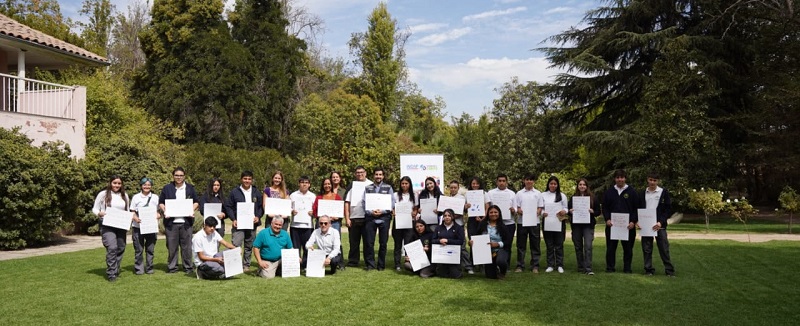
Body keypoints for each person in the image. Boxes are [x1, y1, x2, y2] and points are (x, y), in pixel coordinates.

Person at [158, 167, 200, 275]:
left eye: (181, 175)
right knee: (172, 247)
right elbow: (161, 202)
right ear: (173, 176)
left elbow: (196, 202)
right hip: (171, 223)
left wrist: (192, 209)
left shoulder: (190, 188)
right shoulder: (167, 188)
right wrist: (165, 210)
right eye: (176, 175)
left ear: (184, 176)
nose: (179, 177)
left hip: (186, 223)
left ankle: (188, 267)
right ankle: (172, 267)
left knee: (187, 247)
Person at [92, 175, 130, 282]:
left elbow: (126, 211)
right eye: (114, 183)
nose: (117, 185)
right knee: (112, 247)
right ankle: (111, 273)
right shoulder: (103, 194)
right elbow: (94, 208)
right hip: (107, 224)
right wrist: (99, 213)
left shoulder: (125, 196)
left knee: (121, 247)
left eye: (119, 183)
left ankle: (115, 269)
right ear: (110, 183)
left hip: (121, 225)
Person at [225, 170, 264, 273]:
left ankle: (246, 266)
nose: (247, 181)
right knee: (236, 244)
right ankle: (235, 265)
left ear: (252, 180)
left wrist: (258, 216)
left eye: (249, 179)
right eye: (245, 178)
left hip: (252, 223)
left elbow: (261, 207)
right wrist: (233, 219)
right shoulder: (234, 192)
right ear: (241, 179)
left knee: (249, 245)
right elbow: (228, 206)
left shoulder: (256, 192)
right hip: (239, 223)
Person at [638, 172, 675, 277]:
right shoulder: (642, 193)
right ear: (647, 180)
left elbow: (668, 210)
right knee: (647, 249)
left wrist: (661, 222)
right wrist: (638, 221)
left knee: (664, 248)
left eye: (655, 180)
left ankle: (669, 271)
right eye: (650, 180)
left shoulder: (663, 192)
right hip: (645, 226)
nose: (652, 182)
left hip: (660, 226)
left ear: (658, 181)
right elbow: (638, 209)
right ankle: (648, 270)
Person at [602, 169, 639, 273]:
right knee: (610, 248)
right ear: (615, 179)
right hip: (612, 225)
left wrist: (633, 221)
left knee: (628, 249)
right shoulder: (609, 192)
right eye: (618, 177)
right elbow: (605, 207)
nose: (620, 180)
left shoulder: (632, 192)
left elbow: (636, 208)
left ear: (625, 178)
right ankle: (610, 268)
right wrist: (607, 219)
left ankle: (627, 268)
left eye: (622, 177)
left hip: (628, 226)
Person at [363, 167, 394, 271]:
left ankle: (381, 265)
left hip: (384, 218)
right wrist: (371, 212)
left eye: (380, 174)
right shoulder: (368, 188)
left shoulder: (388, 187)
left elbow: (392, 203)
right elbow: (364, 202)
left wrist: (383, 211)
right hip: (371, 218)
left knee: (383, 243)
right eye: (376, 174)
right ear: (373, 176)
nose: (378, 176)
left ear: (383, 176)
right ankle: (370, 264)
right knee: (369, 243)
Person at [471, 205, 512, 280]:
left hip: (500, 250)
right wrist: (471, 243)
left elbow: (508, 242)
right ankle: (495, 268)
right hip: (487, 253)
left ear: (499, 214)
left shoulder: (503, 226)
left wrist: (497, 244)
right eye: (491, 212)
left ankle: (502, 272)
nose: (493, 214)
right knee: (490, 276)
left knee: (501, 261)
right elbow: (476, 237)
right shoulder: (482, 225)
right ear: (488, 214)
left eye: (495, 212)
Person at [130, 177, 161, 275]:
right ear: (141, 185)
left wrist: (159, 214)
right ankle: (139, 269)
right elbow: (132, 211)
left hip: (151, 227)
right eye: (145, 184)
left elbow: (159, 210)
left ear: (151, 186)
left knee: (150, 249)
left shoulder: (155, 197)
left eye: (149, 185)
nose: (147, 186)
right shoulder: (136, 197)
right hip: (138, 227)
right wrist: (135, 218)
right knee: (138, 249)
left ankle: (149, 268)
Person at [513, 175, 544, 273]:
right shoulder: (519, 193)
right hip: (522, 222)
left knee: (535, 244)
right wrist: (519, 211)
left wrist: (538, 212)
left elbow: (540, 207)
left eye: (531, 179)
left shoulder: (538, 193)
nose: (529, 181)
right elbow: (516, 207)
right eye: (527, 179)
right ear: (524, 181)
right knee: (521, 244)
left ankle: (535, 265)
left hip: (535, 222)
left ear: (533, 181)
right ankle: (520, 265)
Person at [569, 178, 598, 275]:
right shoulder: (573, 198)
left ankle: (588, 268)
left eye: (584, 184)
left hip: (588, 226)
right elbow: (569, 211)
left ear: (587, 186)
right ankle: (580, 266)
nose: (582, 186)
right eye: (580, 184)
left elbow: (598, 212)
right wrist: (570, 211)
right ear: (578, 186)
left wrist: (593, 211)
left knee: (588, 246)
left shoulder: (593, 197)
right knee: (578, 246)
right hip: (576, 226)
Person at [345, 165, 371, 267]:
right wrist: (347, 218)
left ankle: (368, 262)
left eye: (362, 172)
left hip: (367, 217)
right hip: (354, 217)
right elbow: (347, 202)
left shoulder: (371, 184)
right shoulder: (352, 185)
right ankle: (353, 261)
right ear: (355, 174)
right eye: (358, 172)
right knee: (354, 242)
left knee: (368, 242)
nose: (360, 174)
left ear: (365, 173)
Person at [541, 176, 569, 273]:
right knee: (549, 244)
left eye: (555, 184)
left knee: (559, 244)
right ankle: (550, 265)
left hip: (559, 222)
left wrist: (563, 211)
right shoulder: (543, 195)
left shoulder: (562, 195)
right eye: (551, 183)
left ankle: (560, 265)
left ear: (557, 185)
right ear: (548, 184)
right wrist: (542, 213)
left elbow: (566, 208)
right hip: (547, 222)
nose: (553, 185)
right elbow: (540, 208)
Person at [487, 174, 516, 266]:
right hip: (495, 224)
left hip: (509, 223)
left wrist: (513, 210)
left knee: (507, 244)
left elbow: (515, 209)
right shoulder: (491, 193)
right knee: (492, 244)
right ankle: (491, 263)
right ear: (496, 182)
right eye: (500, 181)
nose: (502, 183)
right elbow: (488, 208)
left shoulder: (512, 193)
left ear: (506, 182)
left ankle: (505, 265)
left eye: (503, 181)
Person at [447, 180, 473, 274]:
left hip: (459, 224)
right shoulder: (446, 198)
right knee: (451, 246)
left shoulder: (462, 198)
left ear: (458, 188)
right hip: (449, 226)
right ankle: (455, 265)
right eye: (451, 187)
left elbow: (463, 212)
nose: (453, 189)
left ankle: (468, 267)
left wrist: (464, 208)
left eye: (455, 187)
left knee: (462, 247)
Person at [392, 176, 417, 271]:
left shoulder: (414, 195)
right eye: (402, 183)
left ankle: (408, 263)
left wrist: (415, 212)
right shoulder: (395, 195)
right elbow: (392, 207)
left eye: (406, 183)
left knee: (408, 244)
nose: (404, 185)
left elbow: (416, 207)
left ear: (409, 184)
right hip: (398, 222)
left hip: (409, 222)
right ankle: (397, 264)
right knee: (397, 244)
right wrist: (393, 211)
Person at [290, 176, 316, 267]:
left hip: (308, 225)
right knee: (295, 247)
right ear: (299, 183)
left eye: (306, 182)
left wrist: (313, 212)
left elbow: (316, 209)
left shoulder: (313, 196)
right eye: (302, 182)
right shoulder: (293, 195)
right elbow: (288, 207)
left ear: (309, 184)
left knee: (307, 246)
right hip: (295, 225)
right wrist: (291, 211)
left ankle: (305, 265)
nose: (304, 184)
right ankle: (296, 265)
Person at [432, 209, 465, 278]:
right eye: (445, 216)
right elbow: (432, 240)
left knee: (455, 275)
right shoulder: (438, 228)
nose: (447, 217)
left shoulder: (458, 228)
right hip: (442, 255)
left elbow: (460, 241)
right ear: (443, 217)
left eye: (449, 215)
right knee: (442, 275)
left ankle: (457, 269)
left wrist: (448, 241)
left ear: (453, 217)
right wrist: (439, 241)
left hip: (453, 255)